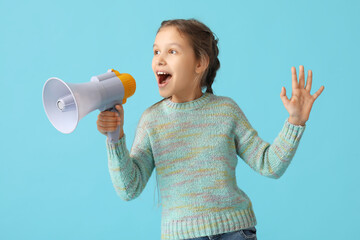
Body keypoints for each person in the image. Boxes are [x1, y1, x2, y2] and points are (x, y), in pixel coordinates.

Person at [96, 18, 324, 240]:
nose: (159, 60)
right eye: (156, 52)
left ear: (200, 63)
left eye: (171, 51)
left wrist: (295, 121)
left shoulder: (226, 111)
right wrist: (115, 138)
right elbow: (129, 188)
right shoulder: (151, 120)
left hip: (235, 231)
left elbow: (270, 164)